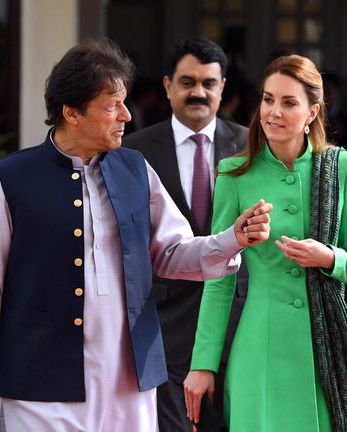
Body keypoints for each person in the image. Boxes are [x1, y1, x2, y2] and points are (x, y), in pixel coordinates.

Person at [0, 38, 273, 432]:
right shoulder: (9, 181)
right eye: (112, 106)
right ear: (71, 112)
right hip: (39, 383)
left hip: (129, 383)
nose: (127, 116)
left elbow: (172, 253)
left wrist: (231, 239)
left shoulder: (137, 169)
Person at [183, 54, 347, 431]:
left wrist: (329, 258)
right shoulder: (233, 174)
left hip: (323, 354)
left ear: (312, 112)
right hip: (258, 348)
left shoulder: (341, 167)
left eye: (289, 102)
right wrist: (202, 364)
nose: (274, 111)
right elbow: (218, 280)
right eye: (268, 99)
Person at [123, 36, 249, 431]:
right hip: (165, 317)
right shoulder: (134, 151)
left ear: (223, 87)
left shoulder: (250, 146)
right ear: (167, 85)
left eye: (209, 83)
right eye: (187, 82)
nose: (198, 93)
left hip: (235, 315)